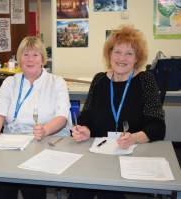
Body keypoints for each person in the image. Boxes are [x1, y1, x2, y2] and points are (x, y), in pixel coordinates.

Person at [70, 25, 166, 199]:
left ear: (137, 58)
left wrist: (135, 137)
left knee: (110, 195)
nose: (122, 58)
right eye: (117, 52)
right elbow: (87, 116)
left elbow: (158, 126)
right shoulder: (99, 80)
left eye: (129, 53)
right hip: (97, 154)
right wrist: (85, 129)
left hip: (130, 154)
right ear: (109, 54)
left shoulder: (146, 80)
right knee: (79, 191)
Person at [0, 36, 72, 199]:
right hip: (12, 144)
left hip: (44, 142)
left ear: (43, 59)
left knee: (32, 185)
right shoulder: (10, 82)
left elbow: (62, 117)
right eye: (25, 55)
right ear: (19, 59)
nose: (30, 59)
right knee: (1, 184)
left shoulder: (56, 82)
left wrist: (45, 130)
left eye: (35, 55)